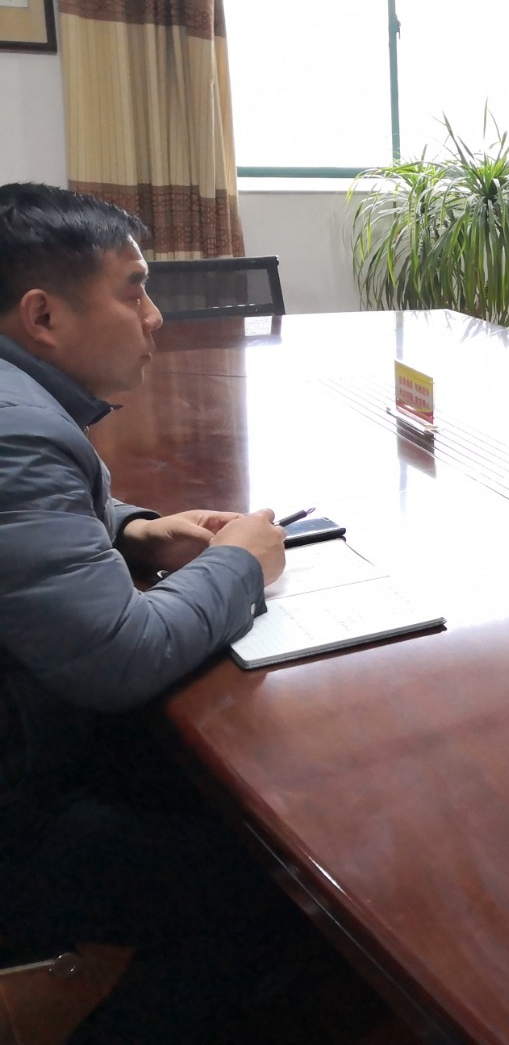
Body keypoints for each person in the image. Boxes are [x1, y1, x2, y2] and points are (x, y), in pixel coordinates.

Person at [0, 183, 321, 1041]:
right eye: (134, 290)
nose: (155, 317)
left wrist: (134, 531)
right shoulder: (17, 432)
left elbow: (33, 519)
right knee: (271, 888)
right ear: (43, 315)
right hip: (17, 812)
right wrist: (239, 565)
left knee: (243, 790)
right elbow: (121, 656)